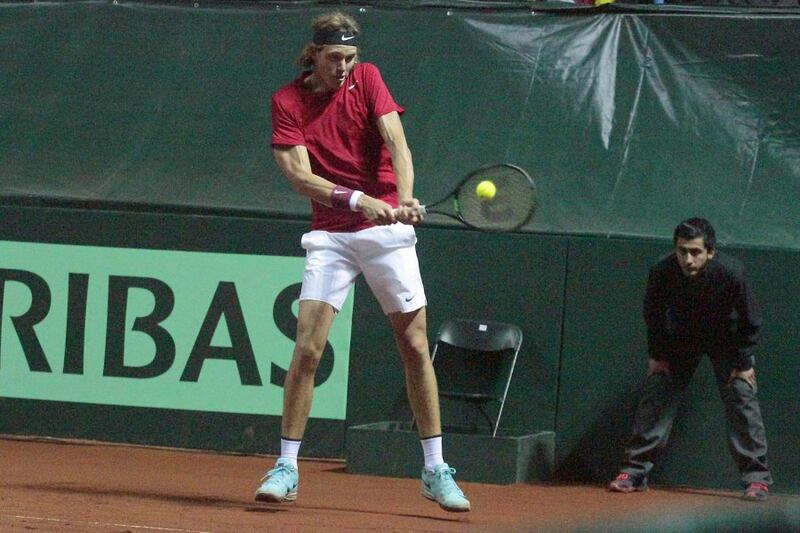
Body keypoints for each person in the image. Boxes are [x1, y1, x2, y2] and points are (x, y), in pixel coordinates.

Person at [253, 11, 470, 513]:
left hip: (386, 234)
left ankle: (435, 468)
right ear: (314, 54)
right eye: (334, 58)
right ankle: (286, 466)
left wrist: (405, 199)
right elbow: (300, 177)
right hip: (332, 235)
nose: (344, 67)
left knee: (414, 344)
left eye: (350, 57)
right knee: (308, 349)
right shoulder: (287, 101)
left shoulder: (367, 78)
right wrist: (357, 200)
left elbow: (397, 142)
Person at [608, 218, 773, 501]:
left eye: (695, 252)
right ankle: (634, 472)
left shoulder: (731, 273)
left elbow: (751, 319)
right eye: (682, 251)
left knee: (741, 392)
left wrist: (743, 363)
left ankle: (757, 479)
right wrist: (657, 356)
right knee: (658, 386)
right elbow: (653, 315)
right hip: (682, 338)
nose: (688, 259)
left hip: (725, 339)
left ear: (711, 252)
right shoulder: (662, 271)